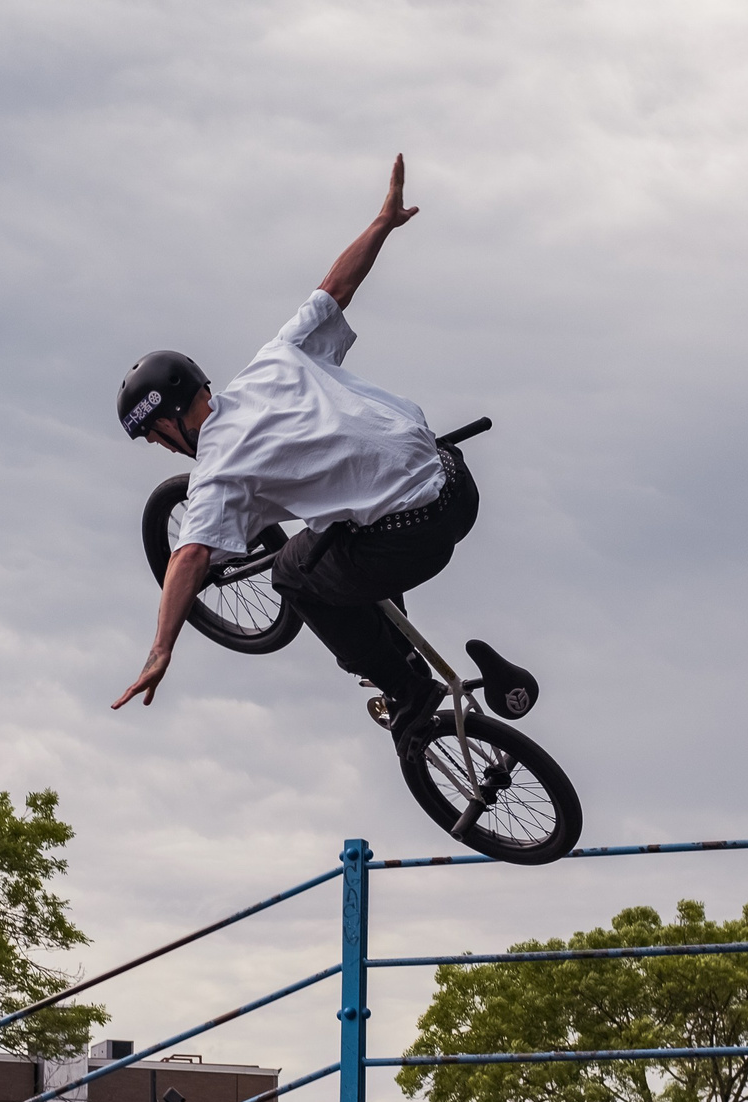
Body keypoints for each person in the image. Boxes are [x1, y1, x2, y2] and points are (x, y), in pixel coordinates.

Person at [111, 155, 476, 747]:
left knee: (293, 575)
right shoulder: (276, 357)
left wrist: (160, 650)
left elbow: (189, 558)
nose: (157, 446)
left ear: (175, 415)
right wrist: (382, 222)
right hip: (456, 480)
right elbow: (337, 287)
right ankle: (404, 649)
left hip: (414, 537)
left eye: (153, 432)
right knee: (335, 526)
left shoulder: (218, 472)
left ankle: (409, 691)